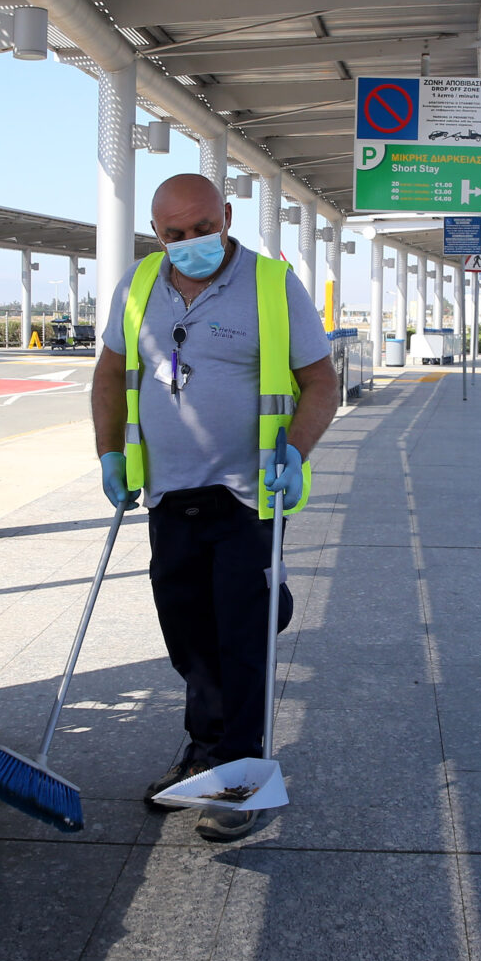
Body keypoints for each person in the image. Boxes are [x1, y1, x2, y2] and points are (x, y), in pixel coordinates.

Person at [92, 174, 338, 842]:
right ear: (157, 235)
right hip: (170, 494)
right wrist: (109, 453)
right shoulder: (139, 284)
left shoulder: (271, 284)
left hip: (246, 495)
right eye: (173, 234)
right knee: (190, 636)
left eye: (201, 227)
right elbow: (110, 372)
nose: (188, 242)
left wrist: (297, 450)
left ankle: (240, 772)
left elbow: (321, 382)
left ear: (226, 216)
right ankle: (201, 751)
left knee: (242, 634)